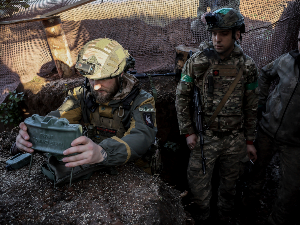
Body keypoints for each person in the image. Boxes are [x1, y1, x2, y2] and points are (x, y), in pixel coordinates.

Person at [15, 38, 157, 182]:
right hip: (95, 168)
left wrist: (103, 152)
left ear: (120, 73)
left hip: (132, 171)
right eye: (91, 78)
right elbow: (58, 119)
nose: (95, 86)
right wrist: (33, 134)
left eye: (102, 78)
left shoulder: (142, 101)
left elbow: (142, 136)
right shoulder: (81, 95)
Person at [175, 8, 258, 224]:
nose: (217, 39)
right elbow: (181, 97)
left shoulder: (247, 65)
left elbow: (251, 105)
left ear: (237, 34)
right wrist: (188, 132)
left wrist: (249, 140)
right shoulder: (199, 61)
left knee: (229, 192)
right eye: (213, 34)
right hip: (205, 138)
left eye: (223, 33)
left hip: (235, 139)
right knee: (199, 194)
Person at [246, 29, 300, 225]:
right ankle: (248, 213)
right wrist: (261, 104)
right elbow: (265, 73)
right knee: (255, 172)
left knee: (291, 188)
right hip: (267, 131)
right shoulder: (287, 60)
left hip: (295, 143)